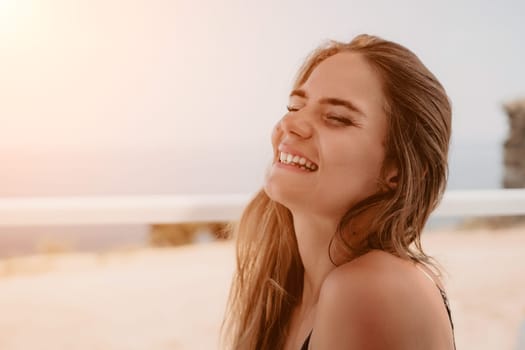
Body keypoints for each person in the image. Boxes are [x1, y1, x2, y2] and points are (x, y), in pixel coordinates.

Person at [222, 34, 455, 350]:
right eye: (295, 105)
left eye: (336, 118)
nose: (292, 124)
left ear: (396, 171)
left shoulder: (369, 289)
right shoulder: (289, 291)